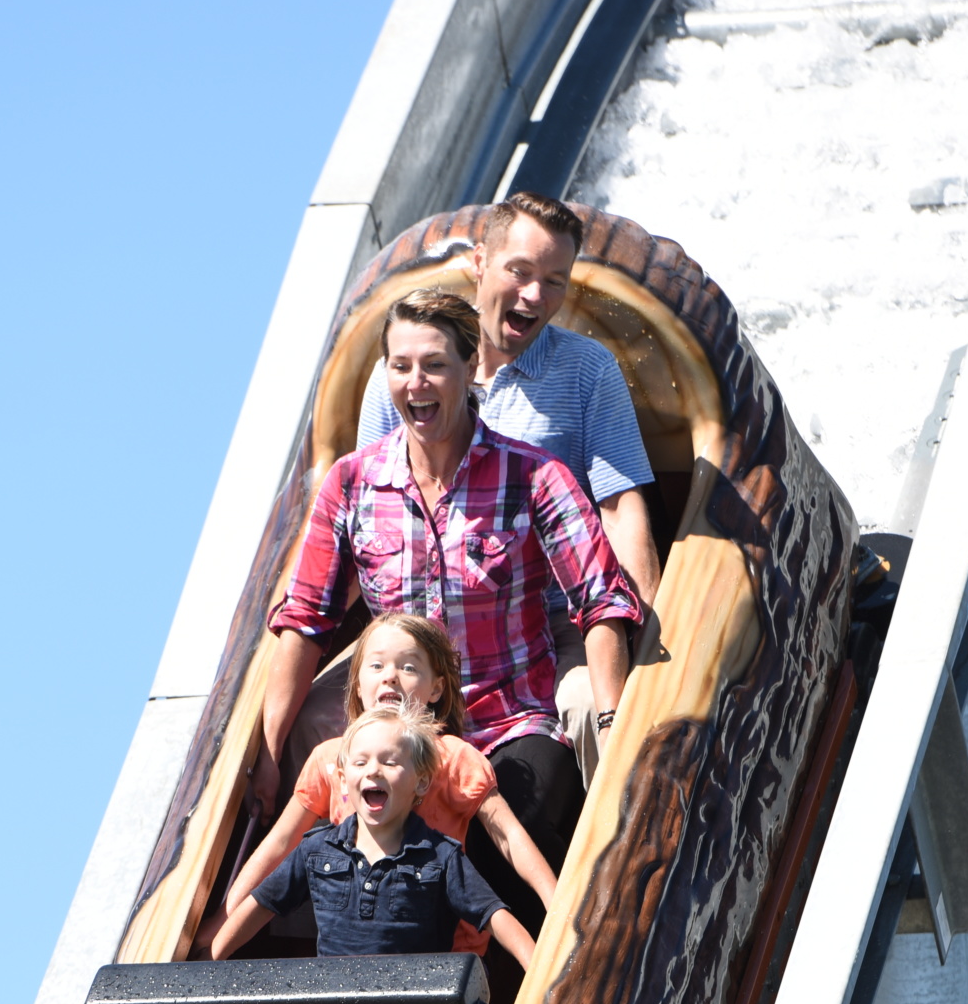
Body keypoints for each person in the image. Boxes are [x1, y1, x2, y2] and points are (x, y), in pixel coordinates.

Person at [255, 288, 641, 933]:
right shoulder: (353, 482)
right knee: (357, 838)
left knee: (526, 810)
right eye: (400, 366)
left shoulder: (534, 475)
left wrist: (612, 715)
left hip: (505, 718)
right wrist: (266, 754)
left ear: (471, 369)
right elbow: (306, 618)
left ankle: (523, 984)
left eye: (434, 364)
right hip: (391, 736)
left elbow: (600, 599)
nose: (416, 382)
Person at [356, 190, 663, 782]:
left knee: (590, 708)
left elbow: (621, 508)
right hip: (423, 634)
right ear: (479, 263)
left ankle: (610, 860)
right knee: (333, 725)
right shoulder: (403, 375)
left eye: (554, 280)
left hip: (550, 623)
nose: (534, 295)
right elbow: (365, 514)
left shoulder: (585, 371)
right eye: (520, 272)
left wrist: (646, 634)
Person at [211, 613, 558, 960]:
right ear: (358, 686)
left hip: (446, 957)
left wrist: (556, 900)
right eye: (376, 666)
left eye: (408, 668)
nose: (390, 676)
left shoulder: (452, 758)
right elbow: (280, 844)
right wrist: (221, 921)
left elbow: (509, 835)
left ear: (436, 688)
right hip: (357, 952)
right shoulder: (330, 759)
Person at [210, 707, 537, 968]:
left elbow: (493, 915)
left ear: (421, 783)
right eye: (361, 761)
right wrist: (212, 959)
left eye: (390, 761)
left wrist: (535, 966)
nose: (373, 770)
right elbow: (262, 904)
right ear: (342, 779)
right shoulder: (318, 851)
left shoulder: (440, 856)